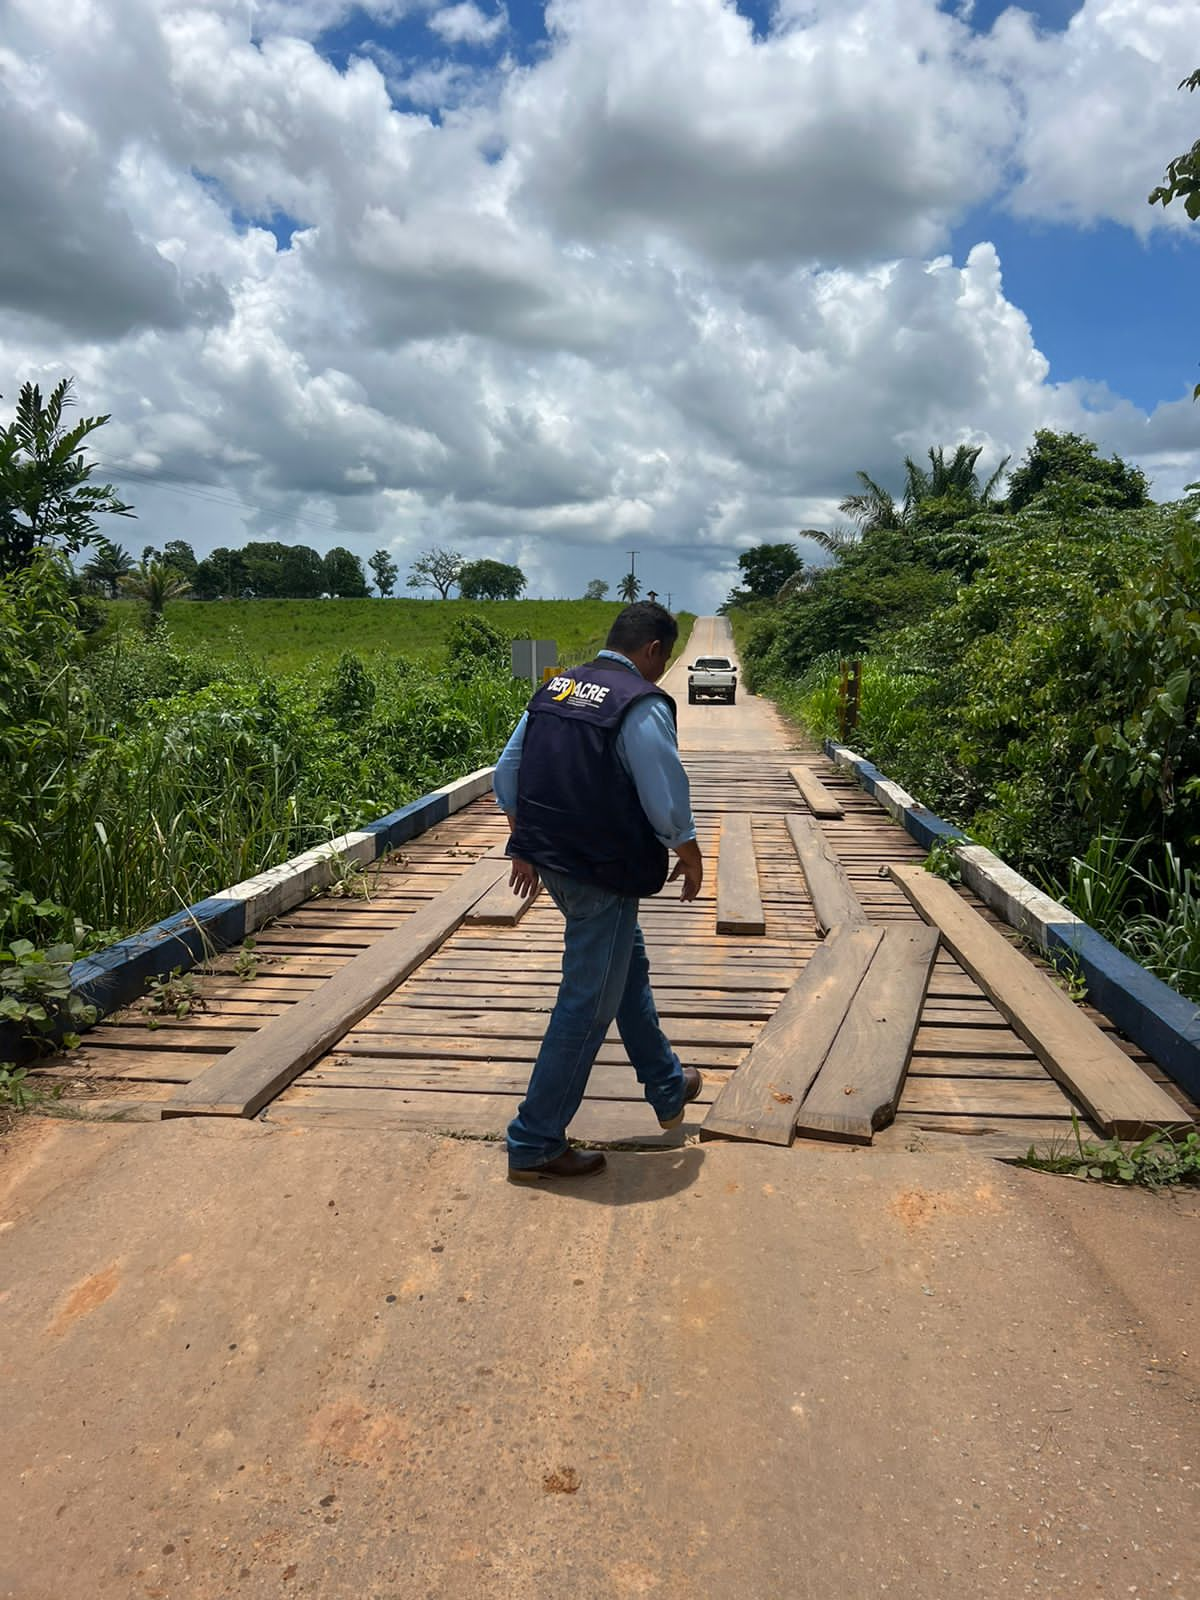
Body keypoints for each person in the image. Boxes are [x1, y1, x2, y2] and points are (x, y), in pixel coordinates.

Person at [493, 602, 705, 1182]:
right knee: (586, 1005)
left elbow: (506, 771)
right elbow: (663, 786)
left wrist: (525, 842)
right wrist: (688, 851)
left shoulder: (555, 688)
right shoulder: (640, 702)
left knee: (625, 967)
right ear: (655, 651)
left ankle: (666, 1084)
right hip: (603, 872)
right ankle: (534, 1138)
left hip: (557, 865)